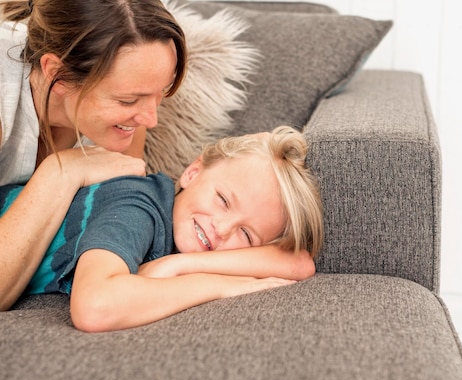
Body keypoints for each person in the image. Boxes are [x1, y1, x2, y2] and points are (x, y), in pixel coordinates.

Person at [0, 127, 325, 332]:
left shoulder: (177, 239)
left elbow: (298, 263)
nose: (222, 229)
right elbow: (95, 308)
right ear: (193, 173)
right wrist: (215, 285)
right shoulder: (136, 204)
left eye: (246, 235)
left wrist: (180, 264)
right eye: (224, 200)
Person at [0, 0, 187, 309]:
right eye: (128, 100)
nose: (150, 119)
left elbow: (114, 207)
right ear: (56, 74)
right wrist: (61, 171)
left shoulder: (132, 111)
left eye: (160, 93)